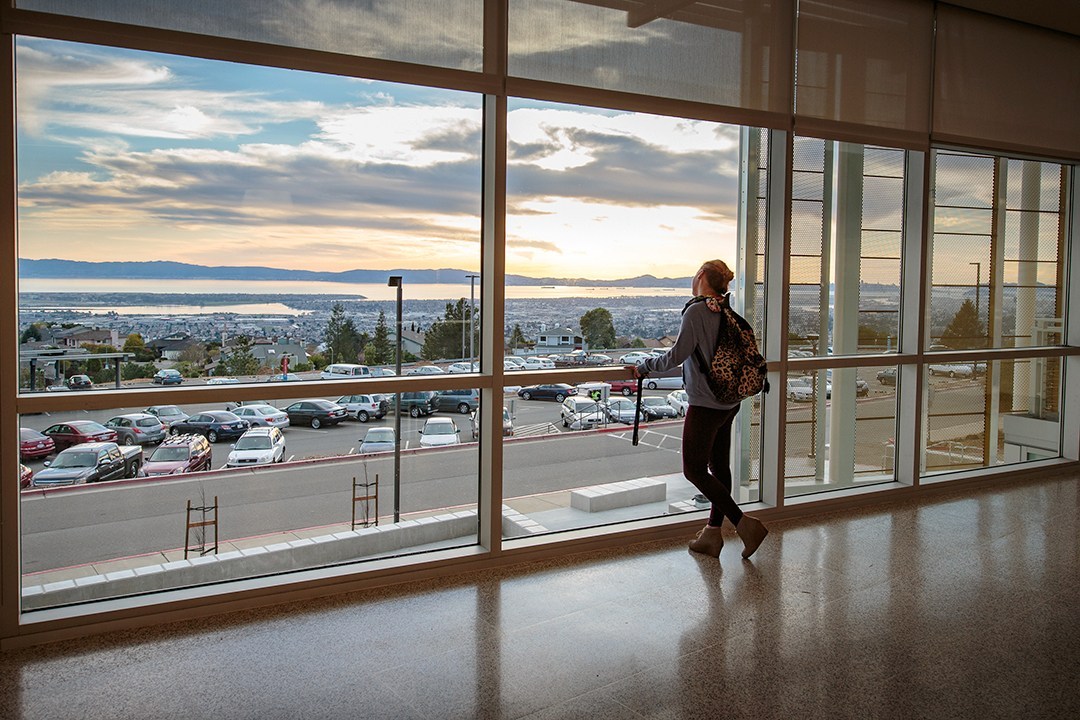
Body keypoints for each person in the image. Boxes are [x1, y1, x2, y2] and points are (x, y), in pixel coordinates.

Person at [627, 259, 768, 559]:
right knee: (719, 467)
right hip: (729, 401)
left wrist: (645, 367)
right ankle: (712, 535)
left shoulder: (697, 310)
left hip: (705, 403)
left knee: (693, 470)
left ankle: (745, 524)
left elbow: (677, 355)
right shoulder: (725, 308)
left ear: (702, 275)